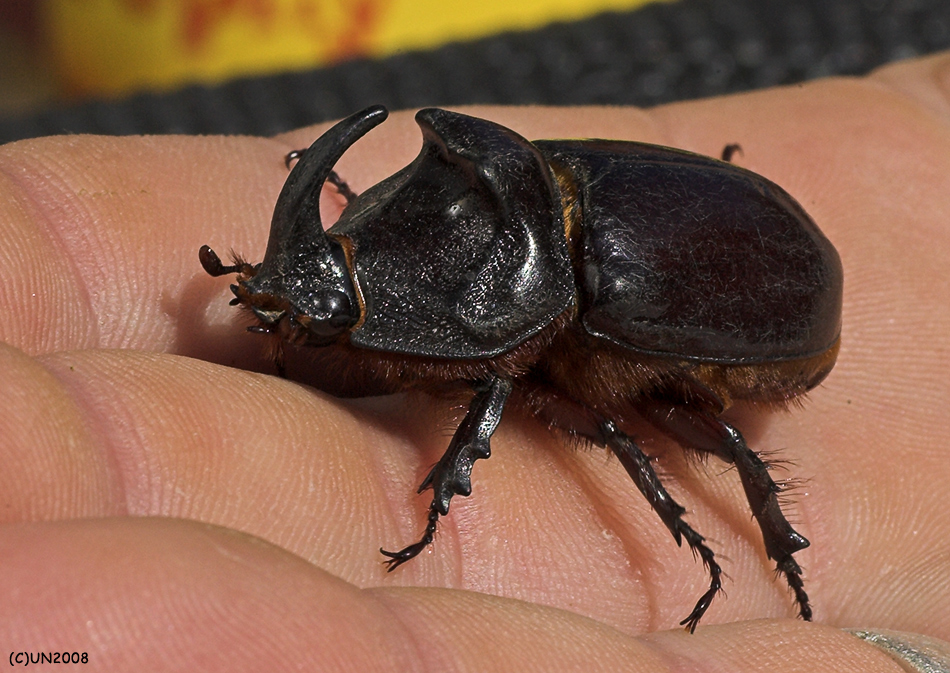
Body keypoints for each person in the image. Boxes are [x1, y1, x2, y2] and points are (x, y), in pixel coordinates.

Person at [1, 52, 948, 672]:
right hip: (712, 208)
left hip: (774, 319)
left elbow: (501, 375)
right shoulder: (499, 183)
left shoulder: (561, 304)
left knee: (702, 444)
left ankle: (783, 560)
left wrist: (685, 533)